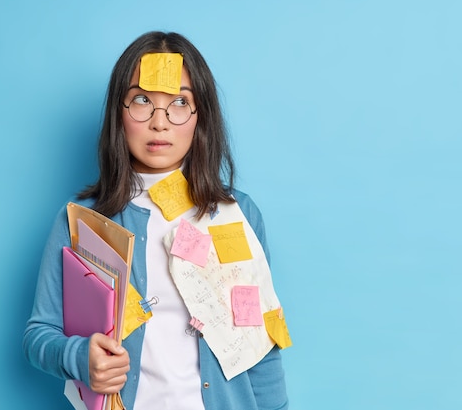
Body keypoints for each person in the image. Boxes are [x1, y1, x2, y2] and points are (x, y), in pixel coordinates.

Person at [23, 31, 290, 410]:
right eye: (142, 101)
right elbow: (39, 334)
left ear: (201, 117)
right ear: (120, 111)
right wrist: (80, 358)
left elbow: (261, 348)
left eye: (180, 102)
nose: (159, 122)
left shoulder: (239, 216)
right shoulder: (83, 220)